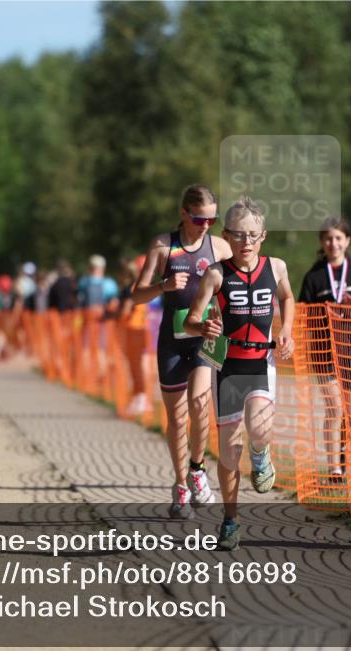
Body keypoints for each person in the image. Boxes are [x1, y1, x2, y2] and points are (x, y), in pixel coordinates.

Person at [184, 195, 295, 550]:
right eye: (237, 235)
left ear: (263, 236)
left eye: (252, 235)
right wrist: (203, 329)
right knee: (230, 454)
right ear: (227, 236)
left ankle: (261, 455)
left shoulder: (276, 267)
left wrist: (286, 330)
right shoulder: (216, 274)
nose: (245, 243)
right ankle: (231, 521)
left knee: (259, 429)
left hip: (261, 362)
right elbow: (190, 320)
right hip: (228, 367)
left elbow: (288, 298)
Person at [132, 185, 232, 519]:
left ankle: (198, 469)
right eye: (200, 218)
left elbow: (235, 286)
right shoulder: (163, 246)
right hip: (172, 339)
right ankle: (180, 486)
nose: (206, 225)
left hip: (205, 336)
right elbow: (136, 295)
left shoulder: (218, 247)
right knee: (176, 419)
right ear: (184, 213)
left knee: (200, 403)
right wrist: (162, 286)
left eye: (212, 219)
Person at [298, 217, 351, 483]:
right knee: (334, 408)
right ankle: (334, 469)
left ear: (347, 241)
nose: (333, 243)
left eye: (338, 238)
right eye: (327, 239)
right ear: (321, 243)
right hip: (325, 352)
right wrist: (325, 313)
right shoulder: (314, 276)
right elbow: (302, 314)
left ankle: (342, 451)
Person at [119, 256, 151, 417]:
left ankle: (140, 398)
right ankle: (140, 398)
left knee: (135, 366)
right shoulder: (147, 287)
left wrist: (115, 315)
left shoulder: (131, 288)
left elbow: (125, 310)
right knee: (140, 365)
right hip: (143, 330)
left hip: (132, 330)